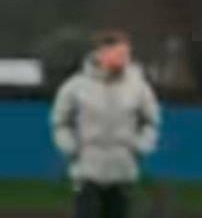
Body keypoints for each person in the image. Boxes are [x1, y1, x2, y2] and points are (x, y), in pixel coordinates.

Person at [50, 31, 160, 218]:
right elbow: (61, 121)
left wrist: (140, 147)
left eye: (126, 54)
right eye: (119, 54)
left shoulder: (139, 88)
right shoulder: (76, 87)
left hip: (123, 169)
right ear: (102, 53)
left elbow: (151, 121)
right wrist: (70, 147)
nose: (124, 58)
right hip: (87, 170)